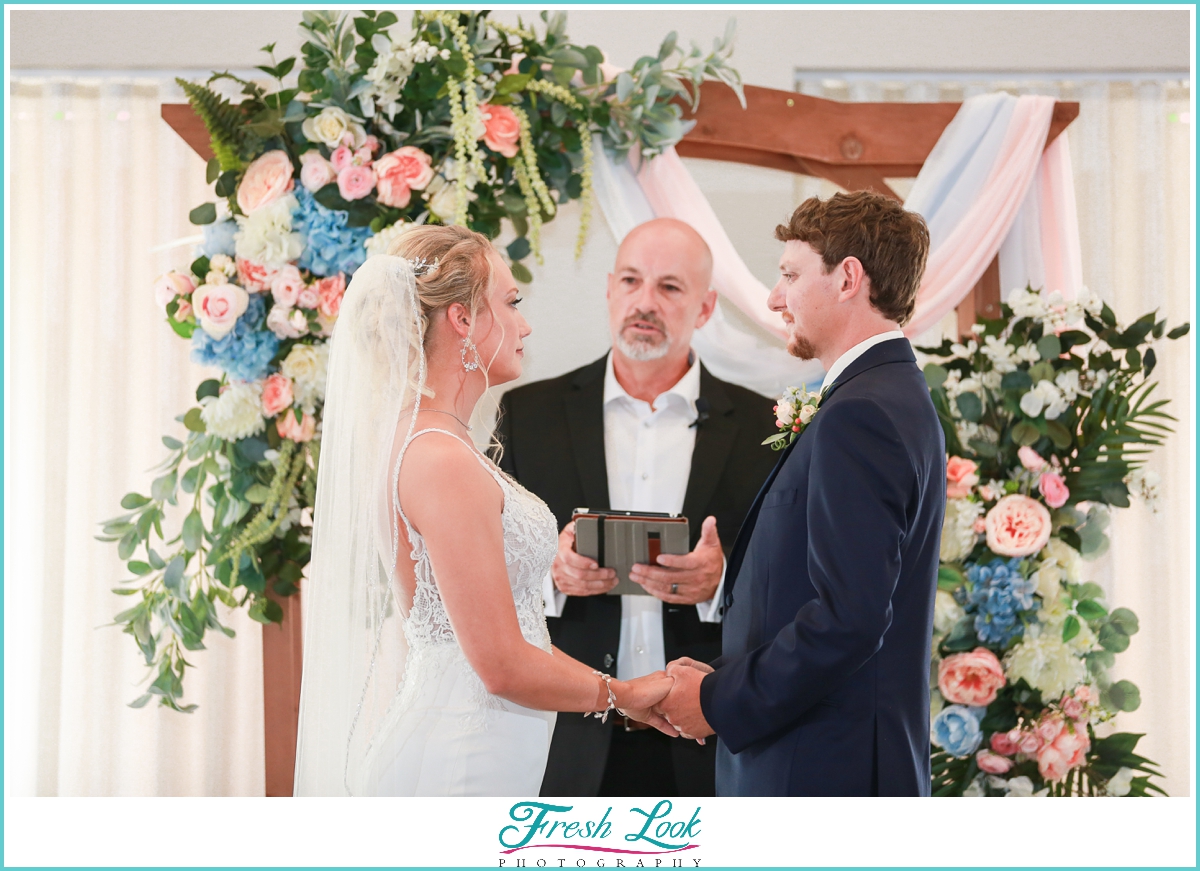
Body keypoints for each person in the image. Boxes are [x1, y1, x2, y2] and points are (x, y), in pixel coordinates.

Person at [293, 226, 674, 796]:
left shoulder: (436, 442)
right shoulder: (439, 458)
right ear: (462, 319)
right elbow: (500, 664)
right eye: (511, 303)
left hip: (482, 749)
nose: (525, 324)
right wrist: (621, 695)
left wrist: (621, 690)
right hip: (457, 762)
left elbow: (515, 634)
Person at [654, 191, 946, 796]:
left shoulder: (861, 412)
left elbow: (848, 619)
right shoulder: (885, 395)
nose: (773, 297)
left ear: (847, 278)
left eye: (789, 274)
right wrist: (715, 672)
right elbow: (802, 594)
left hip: (819, 771)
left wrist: (716, 699)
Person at [494, 218, 778, 797]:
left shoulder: (762, 429)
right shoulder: (527, 415)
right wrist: (549, 573)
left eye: (670, 287)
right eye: (631, 280)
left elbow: (794, 581)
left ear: (705, 308)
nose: (644, 301)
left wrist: (722, 585)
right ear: (608, 290)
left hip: (706, 740)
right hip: (565, 741)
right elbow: (478, 571)